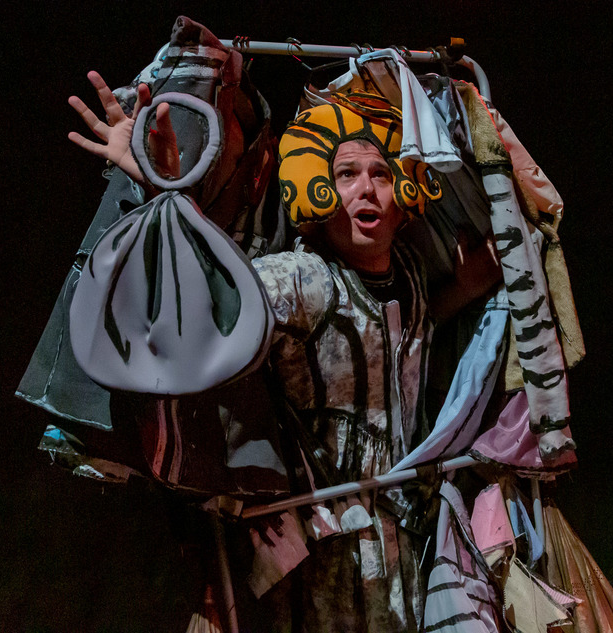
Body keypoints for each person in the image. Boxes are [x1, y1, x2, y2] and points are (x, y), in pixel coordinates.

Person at [68, 71, 502, 632]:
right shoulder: (300, 278)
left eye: (380, 174)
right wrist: (163, 190)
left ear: (403, 199)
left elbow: (397, 333)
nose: (366, 189)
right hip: (323, 556)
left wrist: (465, 289)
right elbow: (208, 312)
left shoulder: (413, 275)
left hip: (408, 544)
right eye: (346, 174)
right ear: (320, 189)